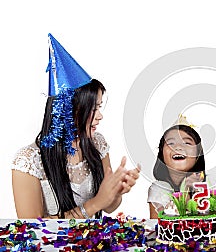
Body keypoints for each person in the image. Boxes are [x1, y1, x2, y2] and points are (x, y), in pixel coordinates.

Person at [11, 33, 140, 219]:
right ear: (66, 111)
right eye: (92, 109)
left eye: (99, 107)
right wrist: (94, 204)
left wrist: (116, 191)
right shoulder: (28, 161)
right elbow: (31, 227)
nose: (100, 116)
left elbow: (109, 207)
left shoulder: (97, 144)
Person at [147, 115, 207, 219]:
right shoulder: (158, 189)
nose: (178, 147)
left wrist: (196, 190)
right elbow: (159, 228)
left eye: (187, 143)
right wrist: (186, 191)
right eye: (171, 143)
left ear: (198, 154)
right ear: (162, 155)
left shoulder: (209, 184)